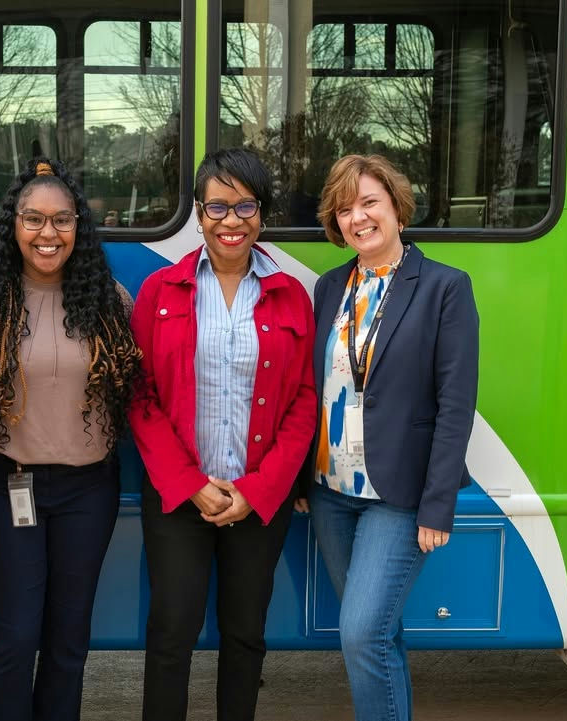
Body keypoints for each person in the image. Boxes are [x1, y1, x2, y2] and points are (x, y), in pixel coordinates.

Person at [129, 148, 317, 721]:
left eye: (245, 206)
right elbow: (140, 397)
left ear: (261, 214)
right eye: (218, 206)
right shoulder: (161, 291)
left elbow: (304, 402)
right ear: (198, 211)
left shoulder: (289, 294)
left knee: (245, 636)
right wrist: (190, 485)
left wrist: (256, 492)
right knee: (171, 636)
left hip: (258, 502)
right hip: (180, 498)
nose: (231, 220)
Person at [0, 157, 141, 721]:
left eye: (63, 220)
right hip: (10, 484)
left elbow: (136, 389)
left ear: (79, 227)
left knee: (69, 642)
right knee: (14, 637)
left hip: (89, 490)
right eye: (33, 219)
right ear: (12, 225)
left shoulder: (109, 302)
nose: (48, 234)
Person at [299, 154, 479, 721]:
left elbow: (456, 406)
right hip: (330, 491)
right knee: (379, 634)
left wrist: (437, 506)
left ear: (397, 208)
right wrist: (304, 476)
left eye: (369, 202)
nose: (358, 217)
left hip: (398, 496)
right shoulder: (330, 288)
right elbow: (312, 386)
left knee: (359, 633)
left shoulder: (445, 288)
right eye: (345, 208)